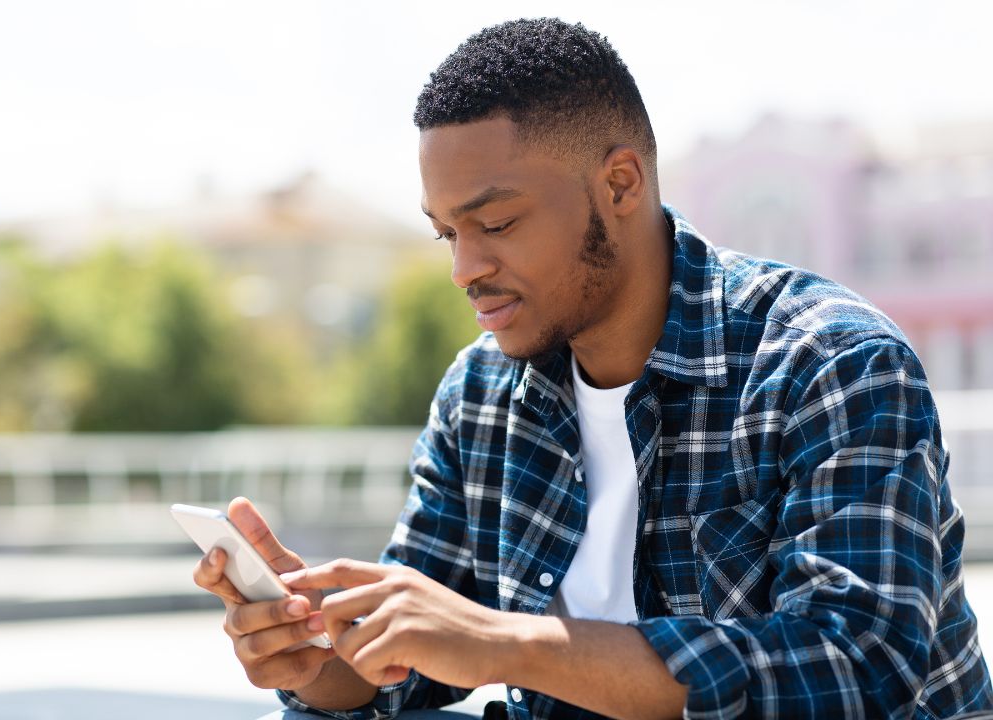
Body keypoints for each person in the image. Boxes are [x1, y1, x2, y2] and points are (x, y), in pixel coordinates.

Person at [193, 17, 993, 720]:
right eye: (447, 235)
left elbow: (856, 672)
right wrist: (317, 652)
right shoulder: (481, 396)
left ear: (619, 183)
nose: (464, 269)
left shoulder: (829, 363)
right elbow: (406, 669)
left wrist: (512, 645)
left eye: (497, 222)